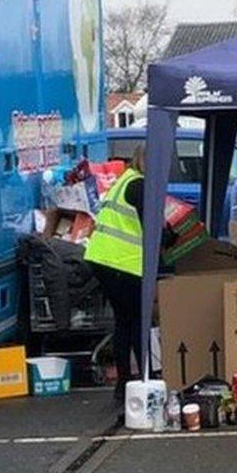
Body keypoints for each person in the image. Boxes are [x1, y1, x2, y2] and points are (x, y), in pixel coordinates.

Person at [84, 145, 173, 400]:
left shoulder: (125, 180)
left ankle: (124, 383)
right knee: (137, 320)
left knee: (123, 321)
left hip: (103, 259)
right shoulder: (140, 186)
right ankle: (146, 378)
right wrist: (169, 237)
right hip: (123, 262)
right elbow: (152, 229)